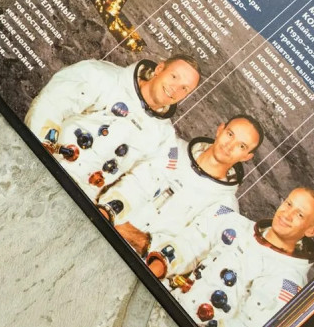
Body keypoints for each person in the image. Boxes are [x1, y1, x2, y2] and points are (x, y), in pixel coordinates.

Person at [96, 115, 263, 280]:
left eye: (241, 146)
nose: (229, 146)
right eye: (230, 134)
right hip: (102, 223)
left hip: (137, 267)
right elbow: (133, 184)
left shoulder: (225, 207)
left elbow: (190, 249)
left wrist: (138, 240)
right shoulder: (172, 149)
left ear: (247, 156)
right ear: (220, 130)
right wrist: (106, 215)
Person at [170, 187, 314, 327]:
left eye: (300, 215)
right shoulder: (237, 225)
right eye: (288, 204)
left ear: (310, 231)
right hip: (173, 301)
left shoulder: (288, 281)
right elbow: (187, 249)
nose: (287, 215)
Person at [24, 55, 201, 195]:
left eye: (184, 88)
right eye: (174, 76)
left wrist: (110, 207)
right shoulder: (101, 76)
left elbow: (144, 182)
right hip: (42, 163)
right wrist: (42, 146)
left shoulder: (163, 138)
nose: (175, 88)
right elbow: (51, 104)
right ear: (159, 69)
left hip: (81, 196)